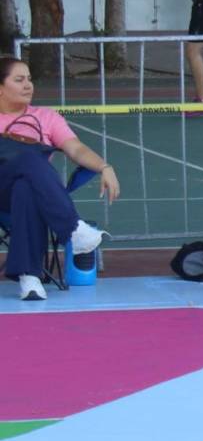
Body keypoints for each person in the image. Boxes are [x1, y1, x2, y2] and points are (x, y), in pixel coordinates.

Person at [0, 56, 116, 301]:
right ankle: (73, 230)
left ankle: (29, 278)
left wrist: (104, 166)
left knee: (26, 188)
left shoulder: (46, 117)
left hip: (30, 197)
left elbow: (76, 149)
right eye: (19, 80)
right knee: (31, 160)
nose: (28, 85)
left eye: (30, 79)